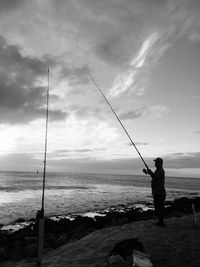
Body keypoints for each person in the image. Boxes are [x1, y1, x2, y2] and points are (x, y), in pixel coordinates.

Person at [143, 157, 166, 227]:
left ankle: (161, 222)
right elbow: (154, 176)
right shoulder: (158, 170)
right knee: (157, 208)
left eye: (157, 162)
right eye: (155, 162)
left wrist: (150, 172)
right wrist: (147, 172)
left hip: (160, 193)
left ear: (160, 163)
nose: (155, 163)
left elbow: (156, 177)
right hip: (157, 192)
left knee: (159, 208)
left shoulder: (161, 170)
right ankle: (160, 222)